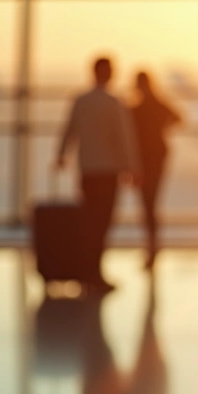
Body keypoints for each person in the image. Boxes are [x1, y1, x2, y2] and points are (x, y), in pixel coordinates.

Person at [56, 57, 140, 295]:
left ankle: (86, 271)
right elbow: (123, 138)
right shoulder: (114, 103)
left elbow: (69, 129)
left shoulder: (81, 101)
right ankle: (95, 272)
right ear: (109, 74)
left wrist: (62, 155)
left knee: (88, 222)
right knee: (102, 224)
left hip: (87, 170)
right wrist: (131, 167)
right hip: (108, 172)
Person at [130, 72, 181, 270]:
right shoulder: (158, 105)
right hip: (156, 157)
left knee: (148, 203)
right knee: (151, 202)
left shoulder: (136, 109)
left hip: (143, 159)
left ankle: (151, 247)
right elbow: (178, 118)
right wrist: (161, 129)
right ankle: (153, 246)